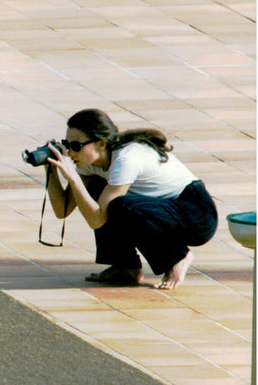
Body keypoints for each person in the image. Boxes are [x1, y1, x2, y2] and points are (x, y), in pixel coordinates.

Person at [44, 108, 218, 290]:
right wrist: (51, 170)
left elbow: (97, 219)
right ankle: (125, 266)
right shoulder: (91, 162)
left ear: (101, 144)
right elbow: (62, 210)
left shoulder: (126, 159)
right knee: (97, 190)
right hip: (164, 209)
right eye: (67, 144)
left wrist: (73, 178)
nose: (70, 152)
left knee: (120, 206)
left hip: (197, 214)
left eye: (76, 146)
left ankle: (178, 256)